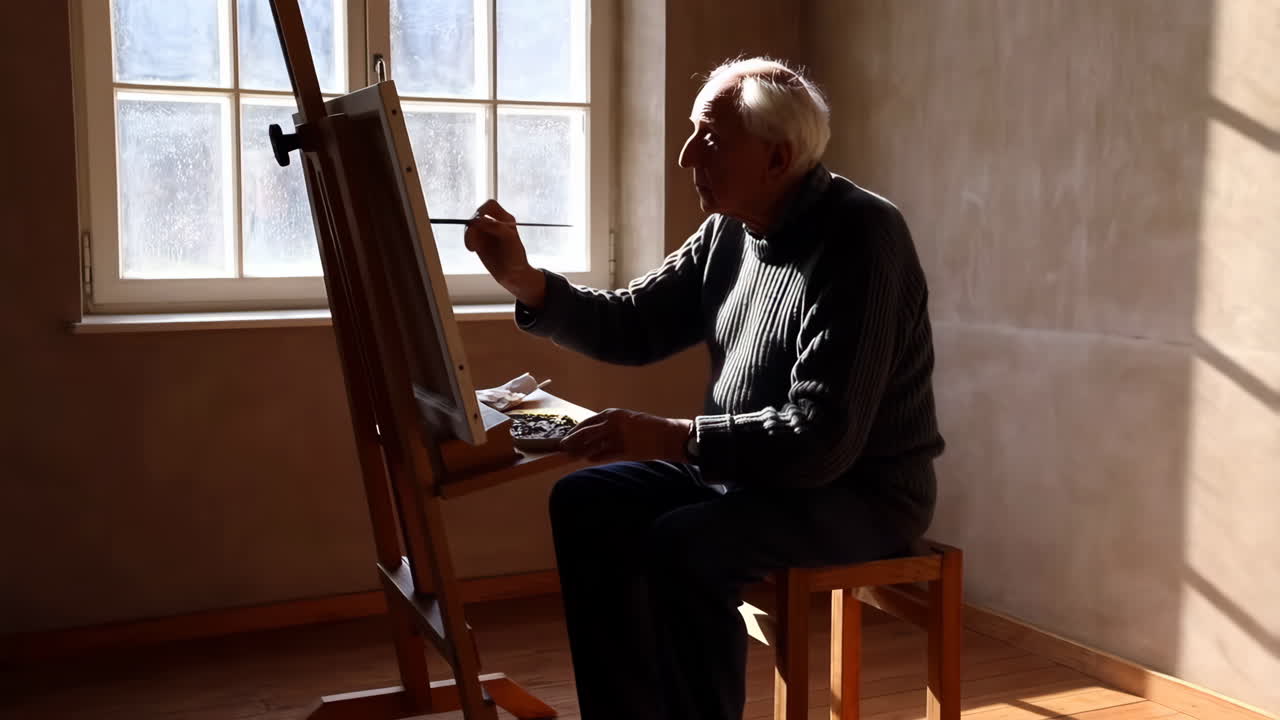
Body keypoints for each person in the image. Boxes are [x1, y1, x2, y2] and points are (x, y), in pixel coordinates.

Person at [463, 57, 944, 720]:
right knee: (585, 502)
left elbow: (822, 440)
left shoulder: (863, 236)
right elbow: (634, 325)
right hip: (746, 475)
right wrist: (526, 282)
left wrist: (671, 438)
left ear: (777, 160)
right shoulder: (729, 231)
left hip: (859, 494)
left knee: (685, 546)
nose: (686, 154)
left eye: (710, 141)